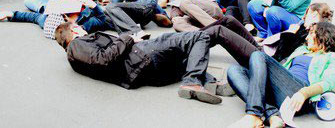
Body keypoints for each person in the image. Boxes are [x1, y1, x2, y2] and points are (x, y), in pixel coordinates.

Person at [55, 23, 223, 104]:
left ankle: (209, 82)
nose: (82, 27)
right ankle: (193, 82)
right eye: (78, 26)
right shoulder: (76, 45)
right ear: (74, 30)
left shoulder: (76, 55)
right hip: (140, 56)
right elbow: (103, 59)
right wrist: (128, 38)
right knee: (199, 37)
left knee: (184, 57)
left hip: (141, 70)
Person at [227, 22, 335, 128]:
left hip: (298, 94)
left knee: (258, 55)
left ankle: (253, 114)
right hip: (281, 88)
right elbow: (283, 70)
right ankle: (272, 114)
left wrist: (304, 93)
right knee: (234, 70)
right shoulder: (302, 49)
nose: (307, 38)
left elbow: (327, 83)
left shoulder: (334, 58)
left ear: (323, 36)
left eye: (311, 34)